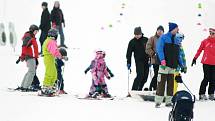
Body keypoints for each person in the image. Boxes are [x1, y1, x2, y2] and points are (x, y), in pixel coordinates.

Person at [155, 22, 186, 108]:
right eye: (176, 28)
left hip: (172, 66)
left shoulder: (176, 40)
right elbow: (159, 49)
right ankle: (158, 101)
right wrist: (162, 60)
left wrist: (182, 65)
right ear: (172, 29)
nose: (178, 30)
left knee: (171, 84)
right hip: (164, 65)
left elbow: (178, 54)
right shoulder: (163, 38)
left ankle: (168, 101)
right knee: (161, 83)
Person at [41, 28, 67, 96]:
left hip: (51, 58)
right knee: (50, 72)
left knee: (54, 73)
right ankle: (46, 87)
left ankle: (51, 87)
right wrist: (60, 56)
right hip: (48, 58)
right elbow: (54, 51)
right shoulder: (51, 41)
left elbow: (55, 51)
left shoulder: (49, 40)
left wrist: (60, 56)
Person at [191, 28, 215, 101]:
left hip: (214, 63)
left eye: (213, 33)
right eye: (210, 33)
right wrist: (195, 58)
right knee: (206, 78)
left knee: (213, 79)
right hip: (206, 62)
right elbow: (199, 50)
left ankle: (211, 93)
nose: (211, 35)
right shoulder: (205, 41)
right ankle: (202, 94)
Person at [126, 27, 149, 91]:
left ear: (141, 33)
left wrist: (151, 59)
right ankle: (134, 89)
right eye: (135, 34)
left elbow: (150, 49)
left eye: (138, 34)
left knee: (145, 77)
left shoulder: (146, 40)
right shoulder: (132, 42)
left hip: (147, 60)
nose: (137, 36)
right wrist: (128, 62)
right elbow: (129, 53)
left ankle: (140, 88)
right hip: (139, 61)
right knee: (140, 75)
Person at [18, 25, 39, 91]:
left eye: (37, 31)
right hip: (30, 56)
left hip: (31, 56)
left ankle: (23, 86)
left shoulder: (31, 36)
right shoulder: (28, 37)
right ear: (32, 30)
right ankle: (26, 86)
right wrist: (23, 55)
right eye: (36, 31)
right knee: (32, 72)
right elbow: (24, 47)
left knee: (30, 71)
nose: (36, 33)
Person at [145, 25, 164, 91]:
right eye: (158, 30)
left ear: (163, 32)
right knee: (157, 74)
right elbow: (147, 48)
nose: (159, 32)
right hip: (155, 60)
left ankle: (157, 88)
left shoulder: (164, 39)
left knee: (160, 75)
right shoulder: (152, 38)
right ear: (156, 31)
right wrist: (153, 54)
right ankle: (152, 87)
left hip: (162, 60)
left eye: (161, 31)